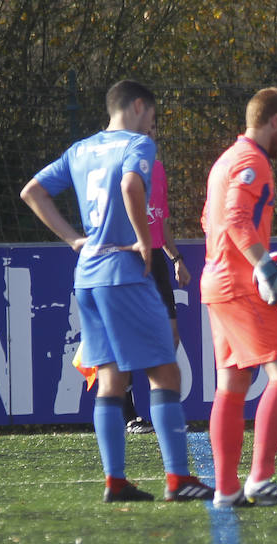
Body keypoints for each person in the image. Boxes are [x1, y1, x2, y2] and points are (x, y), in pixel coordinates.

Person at [19, 79, 213, 503]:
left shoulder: (81, 149)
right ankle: (178, 479)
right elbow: (130, 187)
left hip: (87, 274)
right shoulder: (137, 146)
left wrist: (74, 239)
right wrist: (146, 240)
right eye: (154, 118)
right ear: (139, 106)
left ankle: (116, 481)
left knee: (110, 377)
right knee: (165, 371)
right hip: (124, 273)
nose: (152, 127)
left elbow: (31, 191)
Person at [200, 87, 277, 508]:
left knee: (231, 383)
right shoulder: (251, 161)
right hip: (241, 284)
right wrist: (266, 270)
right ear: (276, 121)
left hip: (218, 281)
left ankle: (227, 489)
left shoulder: (226, 159)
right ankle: (260, 480)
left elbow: (210, 218)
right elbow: (234, 219)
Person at [123, 120, 192, 434]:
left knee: (170, 335)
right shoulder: (122, 170)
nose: (152, 134)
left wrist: (176, 258)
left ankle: (163, 413)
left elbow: (160, 219)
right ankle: (129, 415)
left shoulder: (159, 169)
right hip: (129, 259)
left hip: (158, 261)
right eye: (145, 129)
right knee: (124, 342)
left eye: (153, 129)